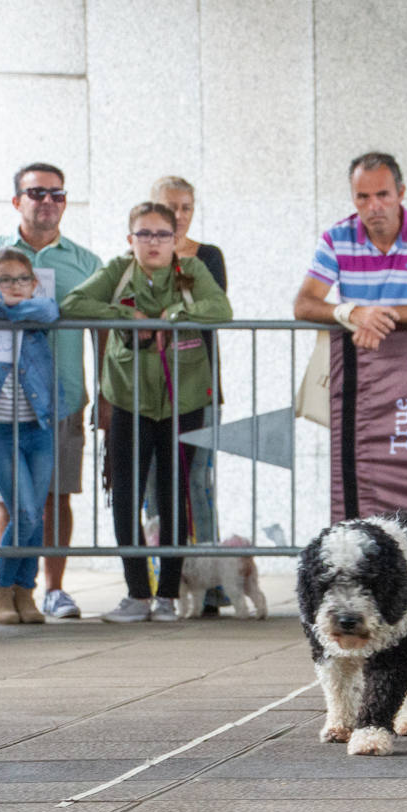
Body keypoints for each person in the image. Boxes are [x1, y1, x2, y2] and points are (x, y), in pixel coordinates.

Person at [61, 203, 233, 622]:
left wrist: (172, 317)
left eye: (161, 234)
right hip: (128, 398)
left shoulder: (192, 271)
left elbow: (221, 309)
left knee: (175, 494)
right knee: (126, 495)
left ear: (175, 239)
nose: (153, 242)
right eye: (144, 234)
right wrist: (129, 316)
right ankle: (137, 593)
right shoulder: (119, 271)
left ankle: (168, 597)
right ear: (130, 239)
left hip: (185, 399)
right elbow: (72, 303)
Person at [0, 163, 102, 620]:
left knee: (55, 497)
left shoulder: (84, 262)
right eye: (36, 193)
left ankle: (46, 590)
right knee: (12, 501)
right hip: (3, 404)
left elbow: (100, 330)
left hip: (62, 397)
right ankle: (6, 587)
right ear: (17, 200)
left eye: (57, 194)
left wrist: (107, 395)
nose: (47, 202)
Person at [145, 176, 228, 613]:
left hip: (200, 386)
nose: (178, 216)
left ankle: (213, 582)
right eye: (169, 207)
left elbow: (210, 309)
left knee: (198, 482)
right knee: (155, 489)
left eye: (186, 207)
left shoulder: (208, 256)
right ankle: (164, 581)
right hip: (149, 389)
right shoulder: (138, 255)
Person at [293, 153, 407, 349]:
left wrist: (377, 318)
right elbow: (303, 304)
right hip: (356, 359)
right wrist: (354, 314)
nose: (374, 206)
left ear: (401, 193)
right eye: (363, 197)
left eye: (382, 195)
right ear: (353, 199)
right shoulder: (336, 239)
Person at [0, 249, 62, 624]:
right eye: (3, 279)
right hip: (1, 431)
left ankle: (25, 593)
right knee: (25, 510)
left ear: (34, 282)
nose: (14, 286)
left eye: (22, 279)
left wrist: (5, 309)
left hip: (39, 427)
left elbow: (48, 311)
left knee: (35, 514)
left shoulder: (37, 310)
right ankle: (1, 587)